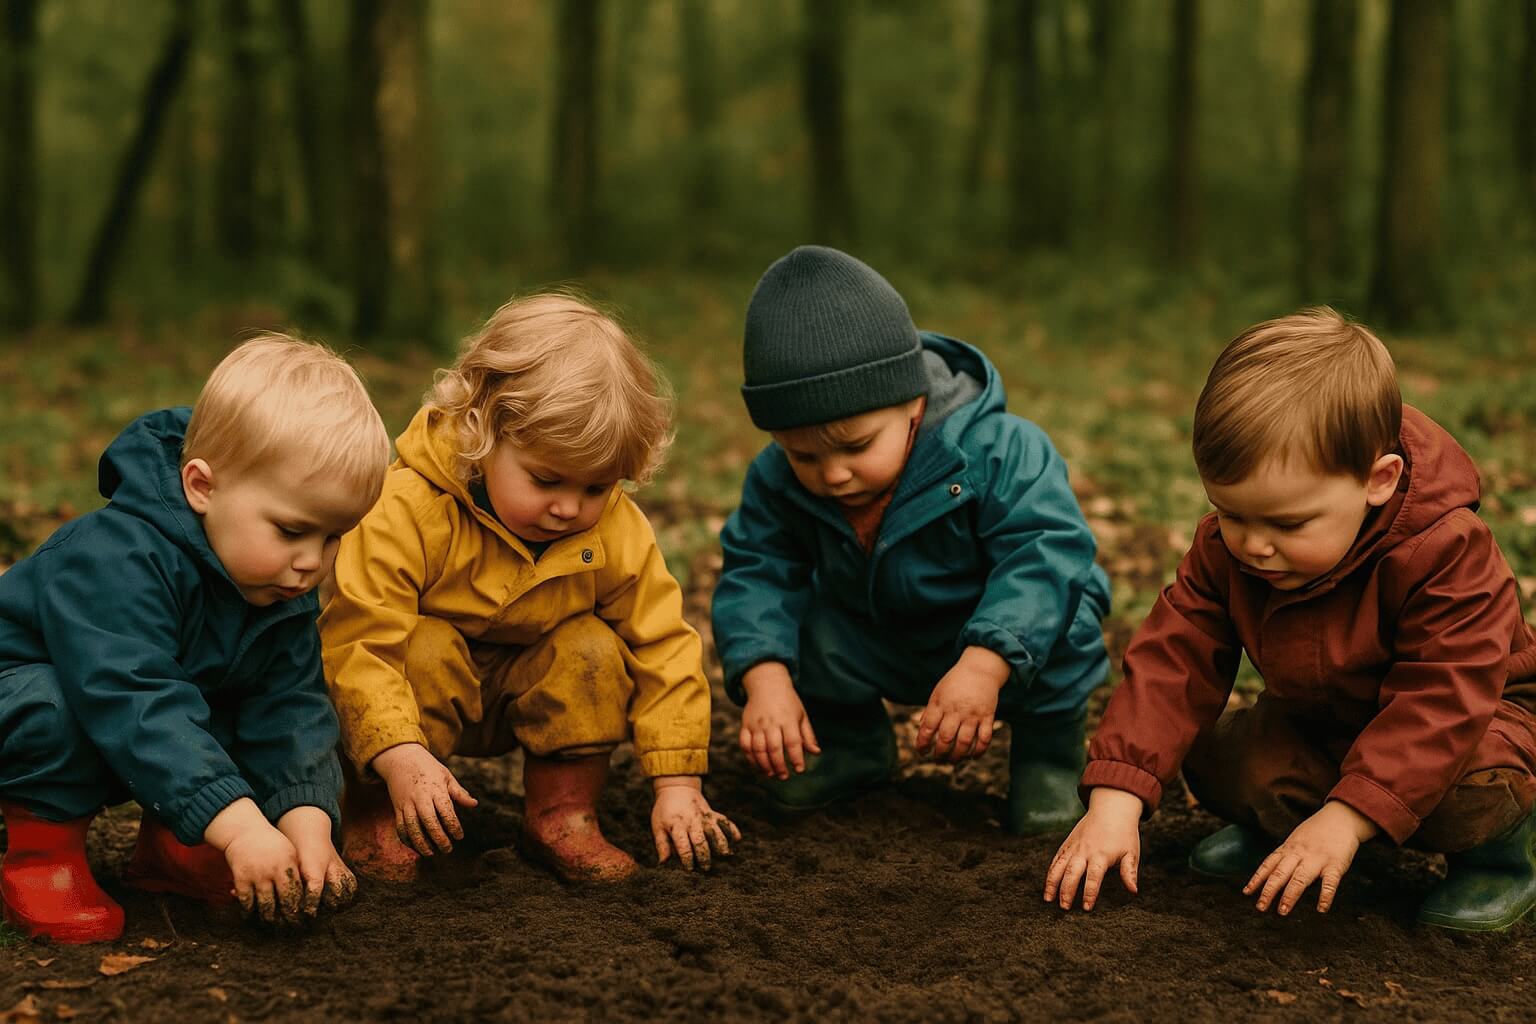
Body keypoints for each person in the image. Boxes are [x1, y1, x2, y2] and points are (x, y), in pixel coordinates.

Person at [1045, 307, 1536, 931]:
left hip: (1471, 725)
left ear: (1378, 481)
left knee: (1472, 789)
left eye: (1287, 523)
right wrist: (1116, 799)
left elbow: (1445, 698)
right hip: (1323, 720)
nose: (1254, 545)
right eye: (1231, 514)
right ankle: (1289, 834)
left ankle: (1498, 860)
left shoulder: (1447, 552)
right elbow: (1176, 658)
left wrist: (1349, 816)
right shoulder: (1229, 551)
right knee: (1221, 754)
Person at [321, 293, 738, 885]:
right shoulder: (406, 509)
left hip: (538, 691)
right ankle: (380, 818)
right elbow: (359, 643)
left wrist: (677, 783)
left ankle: (562, 815)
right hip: (414, 722)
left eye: (597, 488)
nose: (569, 508)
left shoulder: (615, 531)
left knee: (590, 648)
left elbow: (662, 644)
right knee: (424, 644)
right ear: (481, 428)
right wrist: (397, 753)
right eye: (546, 479)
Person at [0, 335, 390, 943]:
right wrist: (239, 826)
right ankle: (42, 855)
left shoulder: (275, 582)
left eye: (334, 536)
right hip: (37, 712)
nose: (313, 562)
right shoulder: (116, 559)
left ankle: (176, 845)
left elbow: (289, 704)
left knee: (241, 691)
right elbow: (134, 698)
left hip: (140, 727)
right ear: (201, 486)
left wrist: (307, 825)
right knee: (53, 707)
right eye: (292, 530)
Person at [710, 245, 1110, 835]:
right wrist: (764, 679)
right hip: (878, 628)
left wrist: (984, 666)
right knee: (807, 626)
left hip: (999, 633)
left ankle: (1048, 759)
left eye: (856, 446)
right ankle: (852, 746)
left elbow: (1045, 552)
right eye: (805, 455)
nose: (833, 473)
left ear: (913, 404)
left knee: (1063, 621)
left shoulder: (999, 450)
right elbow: (756, 569)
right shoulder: (775, 478)